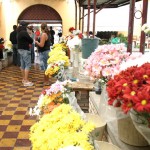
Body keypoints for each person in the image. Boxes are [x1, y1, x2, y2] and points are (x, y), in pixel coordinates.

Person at [17, 21, 34, 86]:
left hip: (20, 50)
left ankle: (24, 79)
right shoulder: (24, 32)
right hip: (25, 50)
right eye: (26, 26)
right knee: (28, 65)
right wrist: (30, 34)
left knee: (22, 65)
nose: (27, 27)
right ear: (24, 26)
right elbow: (31, 40)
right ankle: (26, 81)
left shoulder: (19, 32)